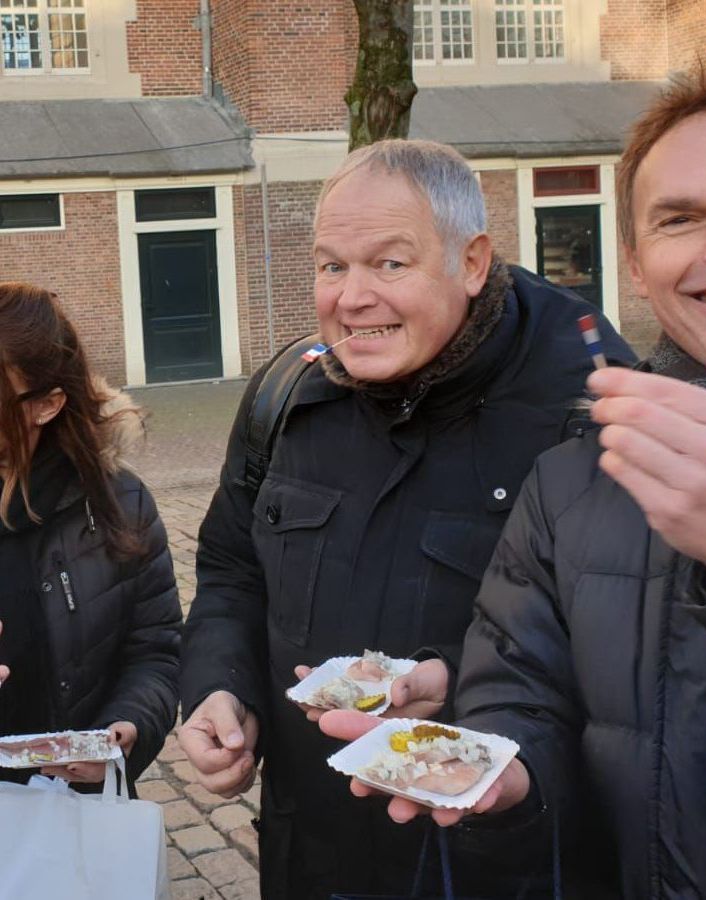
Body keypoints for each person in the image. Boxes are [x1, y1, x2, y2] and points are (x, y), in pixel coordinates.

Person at [321, 76, 706, 898]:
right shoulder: (573, 475)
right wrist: (508, 776)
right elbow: (518, 687)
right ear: (635, 259)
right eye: (680, 218)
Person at [178, 139, 634, 898]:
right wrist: (222, 686)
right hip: (312, 853)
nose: (352, 298)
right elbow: (231, 567)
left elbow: (628, 646)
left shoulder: (589, 409)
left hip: (494, 865)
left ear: (473, 261)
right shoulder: (287, 397)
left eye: (390, 264)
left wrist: (457, 683)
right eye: (332, 265)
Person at [0, 282, 181, 789]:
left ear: (46, 404)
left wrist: (128, 730)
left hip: (75, 816)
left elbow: (155, 651)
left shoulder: (120, 505)